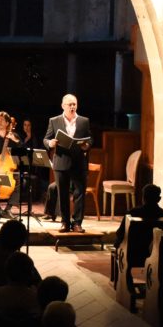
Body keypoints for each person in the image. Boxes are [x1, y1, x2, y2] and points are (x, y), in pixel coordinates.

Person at [43, 93, 92, 233]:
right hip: (61, 161)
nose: (72, 107)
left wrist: (87, 145)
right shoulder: (54, 121)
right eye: (69, 104)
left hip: (79, 162)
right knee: (63, 194)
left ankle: (77, 223)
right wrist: (50, 143)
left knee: (79, 193)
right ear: (63, 106)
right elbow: (46, 139)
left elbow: (90, 139)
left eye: (74, 104)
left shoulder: (84, 121)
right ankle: (65, 222)